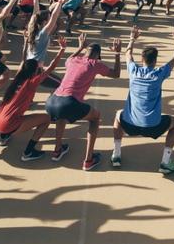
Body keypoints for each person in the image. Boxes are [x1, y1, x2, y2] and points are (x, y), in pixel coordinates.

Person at [43, 33, 122, 170]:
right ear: (97, 55)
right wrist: (117, 54)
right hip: (69, 102)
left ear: (85, 52)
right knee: (95, 118)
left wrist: (80, 47)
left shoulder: (73, 60)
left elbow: (69, 57)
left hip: (51, 101)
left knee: (61, 116)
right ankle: (89, 160)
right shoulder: (95, 64)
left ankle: (57, 150)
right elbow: (116, 74)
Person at [111, 26, 174, 174]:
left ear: (142, 59)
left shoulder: (133, 71)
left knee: (118, 116)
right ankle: (165, 162)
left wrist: (132, 39)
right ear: (155, 61)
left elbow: (128, 54)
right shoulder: (159, 74)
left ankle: (116, 155)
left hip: (130, 125)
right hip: (153, 126)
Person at [0, 36, 67, 157]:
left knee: (13, 112)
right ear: (34, 72)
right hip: (6, 123)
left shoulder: (18, 78)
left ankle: (4, 136)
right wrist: (62, 49)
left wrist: (26, 42)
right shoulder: (31, 82)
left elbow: (23, 60)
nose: (40, 69)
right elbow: (51, 68)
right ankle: (28, 152)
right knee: (47, 118)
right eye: (38, 68)